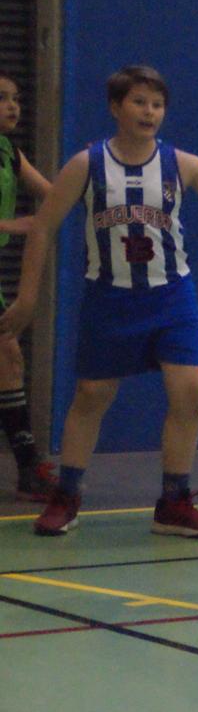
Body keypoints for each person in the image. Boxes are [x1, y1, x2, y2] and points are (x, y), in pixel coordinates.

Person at [0, 65, 198, 537]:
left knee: (192, 388)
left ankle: (173, 501)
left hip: (171, 294)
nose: (149, 111)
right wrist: (27, 296)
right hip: (109, 296)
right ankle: (66, 493)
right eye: (139, 102)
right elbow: (44, 225)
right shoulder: (87, 164)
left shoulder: (181, 164)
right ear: (115, 107)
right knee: (92, 395)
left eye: (157, 103)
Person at [0, 71, 58, 502]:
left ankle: (28, 468)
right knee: (8, 356)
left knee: (9, 359)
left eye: (16, 98)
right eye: (2, 99)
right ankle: (28, 465)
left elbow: (55, 198)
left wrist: (94, 177)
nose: (13, 106)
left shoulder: (9, 153)